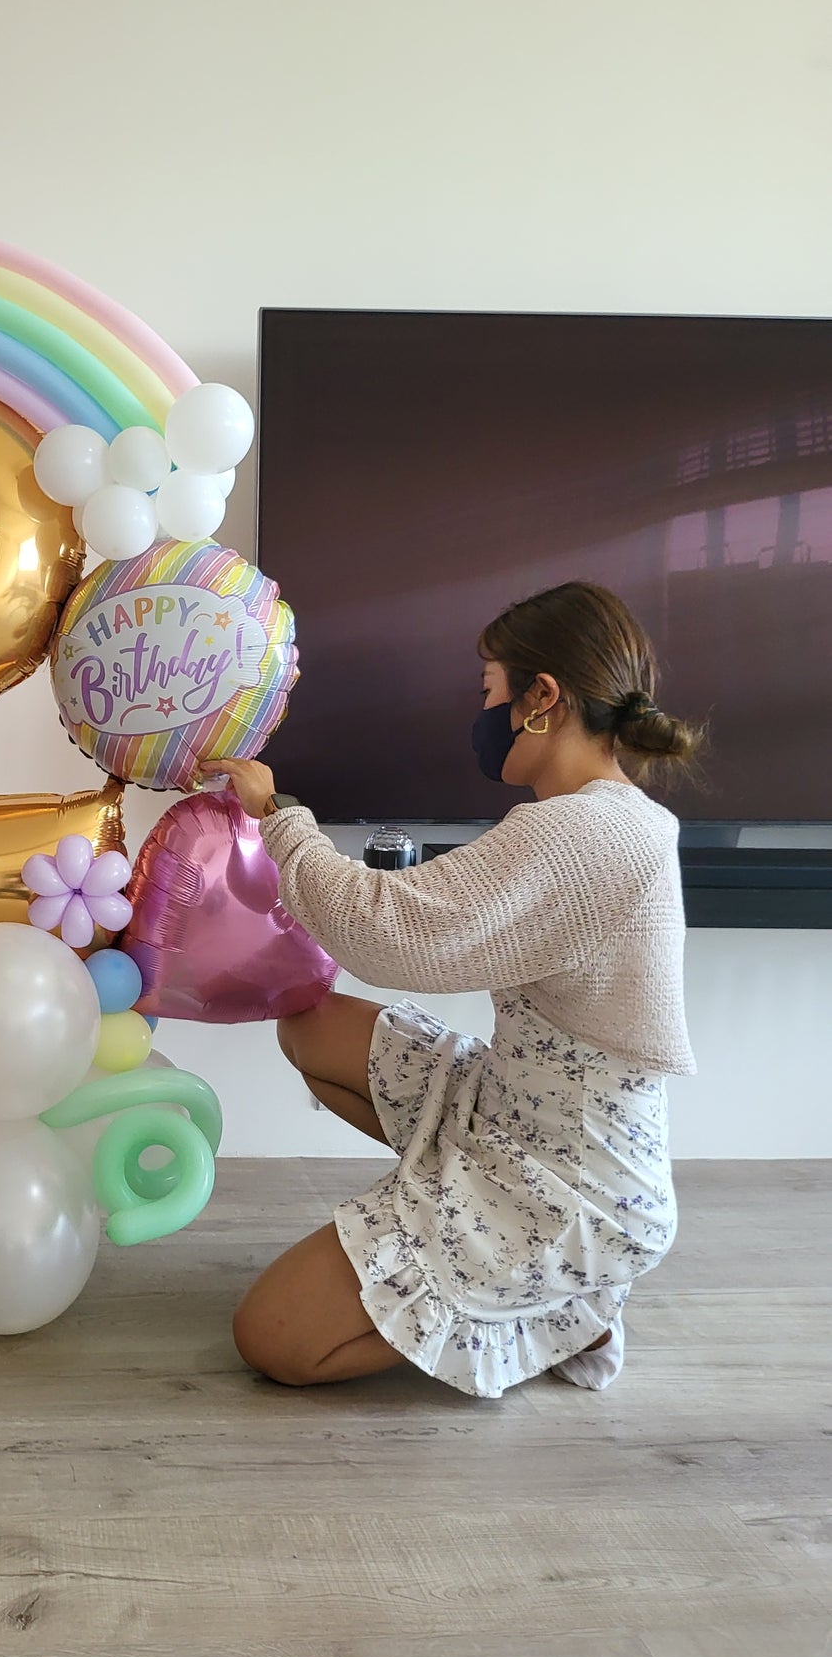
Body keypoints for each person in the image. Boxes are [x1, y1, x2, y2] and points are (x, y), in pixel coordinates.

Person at [205, 580, 700, 1400]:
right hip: (515, 1110)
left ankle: (560, 1303)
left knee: (272, 1337)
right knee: (310, 1026)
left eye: (489, 691)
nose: (482, 715)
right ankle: (461, 1228)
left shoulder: (579, 832)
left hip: (572, 1182)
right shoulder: (610, 816)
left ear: (542, 697)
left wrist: (276, 816)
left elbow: (387, 932)